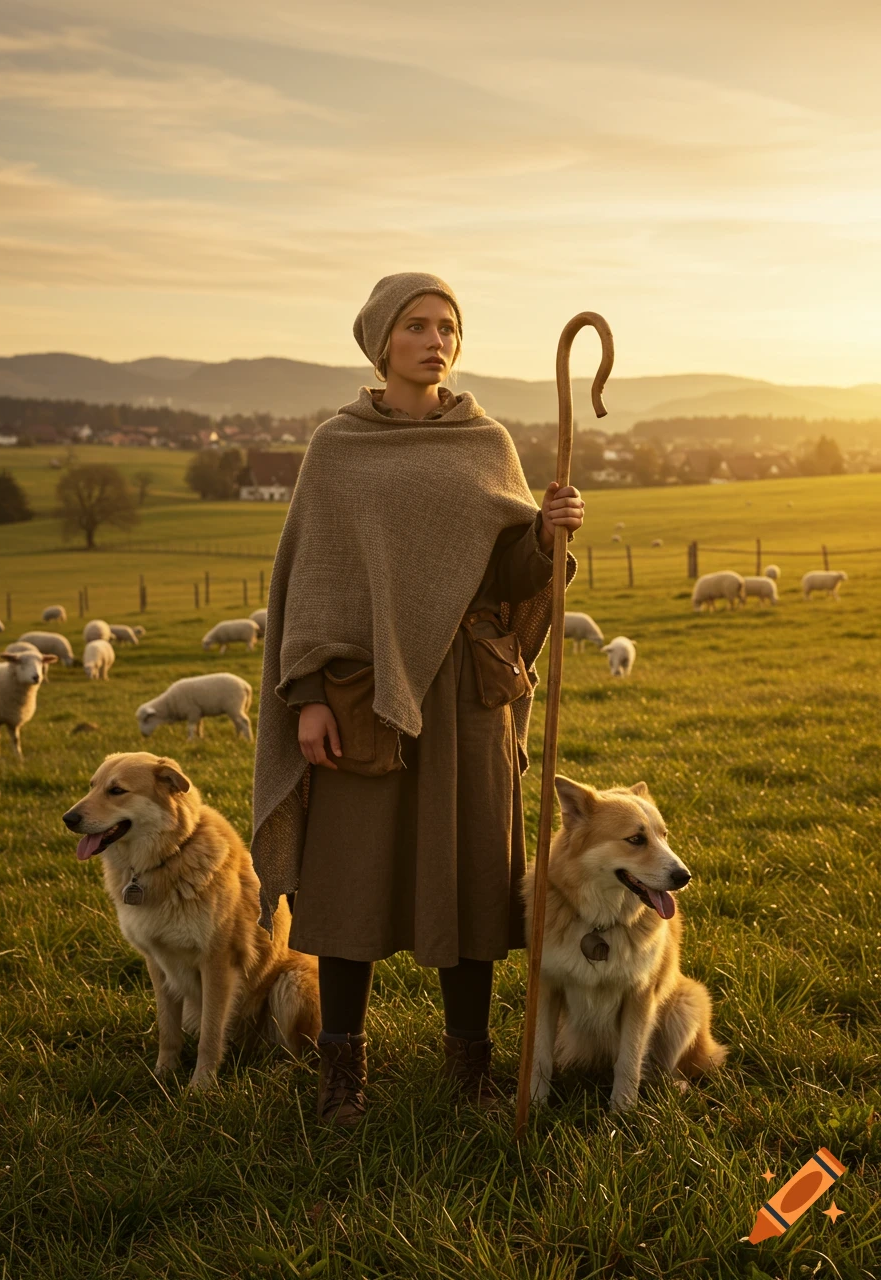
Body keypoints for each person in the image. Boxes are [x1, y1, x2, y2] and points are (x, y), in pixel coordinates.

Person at [251, 272, 582, 1127]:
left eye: (448, 327)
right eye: (416, 326)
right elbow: (314, 581)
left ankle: (470, 1069)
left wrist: (545, 538)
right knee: (350, 879)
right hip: (365, 694)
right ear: (380, 341)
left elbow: (509, 579)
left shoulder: (486, 442)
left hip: (469, 693)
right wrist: (311, 695)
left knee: (471, 872)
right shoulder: (338, 448)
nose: (436, 341)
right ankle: (342, 1078)